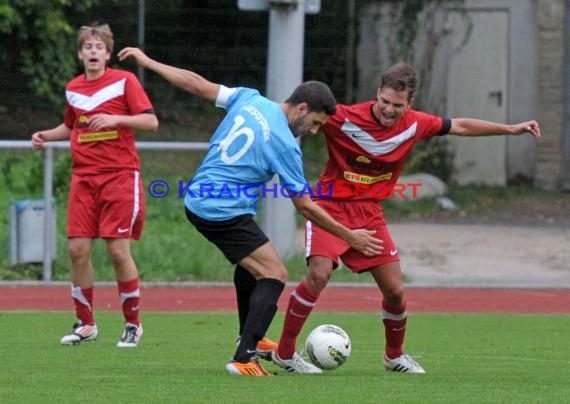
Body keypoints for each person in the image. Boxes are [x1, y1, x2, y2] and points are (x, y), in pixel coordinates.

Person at [117, 47, 383, 376]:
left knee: (253, 266)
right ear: (302, 108)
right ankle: (244, 358)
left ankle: (250, 336)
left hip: (203, 199)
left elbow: (197, 84)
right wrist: (349, 235)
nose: (313, 131)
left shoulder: (250, 99)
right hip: (220, 211)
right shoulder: (286, 144)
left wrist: (148, 61)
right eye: (315, 123)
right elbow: (305, 206)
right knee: (275, 273)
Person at [272, 62, 541, 374]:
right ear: (377, 94)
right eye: (384, 101)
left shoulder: (416, 124)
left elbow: (461, 126)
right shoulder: (343, 118)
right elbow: (295, 116)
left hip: (369, 214)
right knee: (318, 275)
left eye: (397, 105)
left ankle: (394, 356)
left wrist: (509, 129)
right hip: (330, 208)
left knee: (396, 291)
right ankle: (286, 353)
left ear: (409, 104)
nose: (388, 109)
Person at [31, 23, 159, 348]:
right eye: (87, 46)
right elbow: (72, 126)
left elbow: (150, 121)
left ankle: (133, 324)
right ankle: (85, 324)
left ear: (107, 53)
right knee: (76, 250)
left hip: (119, 175)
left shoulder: (124, 81)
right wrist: (46, 135)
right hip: (83, 177)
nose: (93, 51)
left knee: (117, 251)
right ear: (80, 53)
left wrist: (118, 119)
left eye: (98, 46)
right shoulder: (73, 87)